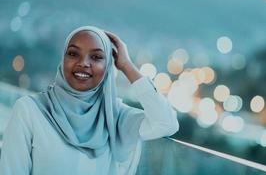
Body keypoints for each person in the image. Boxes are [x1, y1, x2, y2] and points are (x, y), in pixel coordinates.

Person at [0, 26, 179, 175]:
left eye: (96, 57)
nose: (83, 63)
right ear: (63, 59)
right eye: (73, 54)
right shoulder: (30, 110)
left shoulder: (116, 117)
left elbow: (166, 123)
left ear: (109, 66)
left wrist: (127, 66)